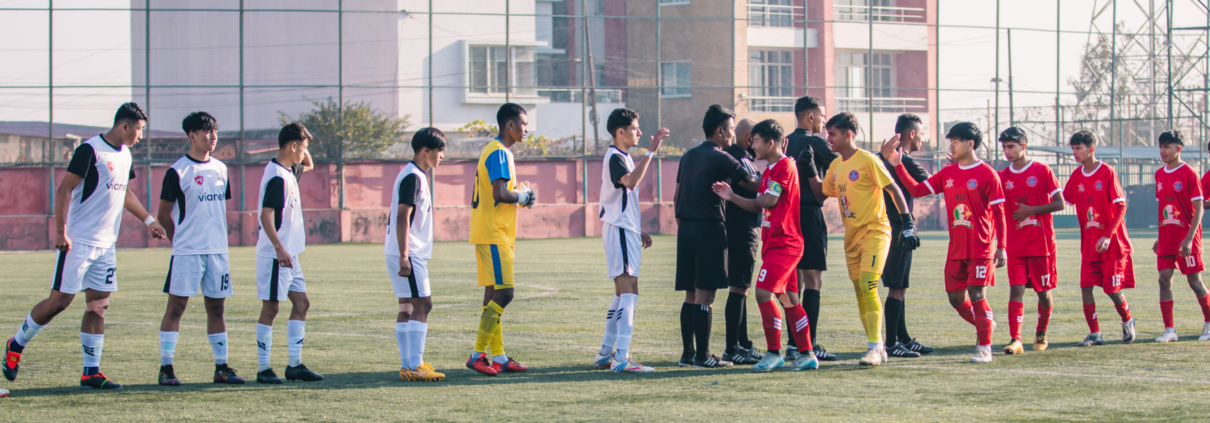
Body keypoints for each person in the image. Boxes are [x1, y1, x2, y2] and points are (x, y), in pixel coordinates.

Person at [2, 102, 166, 390]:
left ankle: (91, 372)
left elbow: (124, 192)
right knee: (60, 302)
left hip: (106, 246)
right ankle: (16, 344)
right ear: (124, 126)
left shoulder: (125, 155)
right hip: (77, 243)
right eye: (139, 130)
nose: (141, 136)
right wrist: (60, 232)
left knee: (98, 306)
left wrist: (149, 220)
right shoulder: (89, 150)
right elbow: (64, 189)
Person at [800, 112, 919, 366]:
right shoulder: (836, 165)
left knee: (869, 285)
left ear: (848, 134)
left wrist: (907, 223)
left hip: (875, 231)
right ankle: (878, 346)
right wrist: (810, 170)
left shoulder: (867, 160)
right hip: (851, 237)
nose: (827, 138)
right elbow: (822, 194)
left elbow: (893, 189)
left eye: (832, 134)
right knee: (860, 292)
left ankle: (876, 347)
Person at [884, 122, 1005, 363]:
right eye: (951, 140)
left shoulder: (987, 174)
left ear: (970, 143)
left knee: (978, 294)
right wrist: (898, 167)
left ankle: (984, 347)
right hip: (956, 249)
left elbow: (999, 212)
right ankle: (986, 324)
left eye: (956, 140)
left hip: (980, 247)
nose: (951, 145)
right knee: (956, 299)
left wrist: (1001, 246)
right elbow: (918, 190)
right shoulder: (948, 173)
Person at [713, 119, 819, 372]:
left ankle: (774, 353)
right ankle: (807, 354)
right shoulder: (770, 170)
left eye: (757, 140)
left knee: (763, 292)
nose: (752, 145)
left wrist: (748, 197)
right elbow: (760, 204)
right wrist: (732, 196)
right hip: (774, 243)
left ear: (771, 143)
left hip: (786, 243)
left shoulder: (784, 166)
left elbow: (768, 201)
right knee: (790, 299)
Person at [156, 111, 244, 385]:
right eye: (207, 131)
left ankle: (222, 367)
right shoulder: (177, 171)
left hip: (217, 251)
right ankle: (166, 368)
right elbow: (163, 214)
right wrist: (179, 241)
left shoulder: (221, 169)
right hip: (187, 252)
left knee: (217, 309)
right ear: (192, 136)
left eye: (215, 131)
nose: (213, 136)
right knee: (176, 308)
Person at [674, 104, 758, 368]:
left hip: (685, 228)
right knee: (706, 296)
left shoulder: (688, 155)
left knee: (690, 294)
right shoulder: (722, 157)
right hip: (709, 228)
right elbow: (753, 185)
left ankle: (688, 355)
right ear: (720, 131)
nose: (732, 136)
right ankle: (704, 356)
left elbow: (676, 198)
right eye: (731, 130)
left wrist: (685, 225)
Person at [592, 108, 666, 373]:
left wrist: (637, 229)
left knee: (624, 292)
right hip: (619, 230)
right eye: (635, 127)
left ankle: (605, 352)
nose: (640, 132)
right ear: (619, 132)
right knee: (629, 292)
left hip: (625, 230)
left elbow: (624, 198)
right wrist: (651, 151)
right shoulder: (615, 157)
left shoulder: (622, 156)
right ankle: (621, 358)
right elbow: (631, 183)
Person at [466, 103, 536, 376]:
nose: (526, 129)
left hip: (491, 232)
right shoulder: (499, 152)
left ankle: (499, 357)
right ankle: (477, 354)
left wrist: (520, 196)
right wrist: (523, 197)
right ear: (509, 125)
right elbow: (499, 193)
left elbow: (501, 194)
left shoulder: (497, 151)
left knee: (493, 293)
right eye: (523, 124)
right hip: (495, 234)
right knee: (506, 293)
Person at [253, 122, 322, 384]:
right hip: (276, 256)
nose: (305, 153)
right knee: (271, 309)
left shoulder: (289, 170)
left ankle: (295, 365)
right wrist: (279, 249)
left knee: (302, 304)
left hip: (290, 255)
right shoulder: (277, 177)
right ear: (292, 146)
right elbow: (266, 216)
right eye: (302, 148)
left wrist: (302, 138)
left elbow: (309, 164)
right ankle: (263, 369)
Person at [1061, 130, 1137, 347]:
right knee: (1086, 287)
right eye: (1073, 149)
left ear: (1091, 149)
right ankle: (1095, 333)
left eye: (1078, 148)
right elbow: (1062, 200)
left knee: (1111, 289)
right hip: (1089, 245)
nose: (1074, 153)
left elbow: (1121, 206)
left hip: (1112, 245)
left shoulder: (1107, 172)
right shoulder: (1076, 176)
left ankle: (1127, 320)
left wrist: (1107, 236)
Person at [995, 127, 1064, 354]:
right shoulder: (1002, 177)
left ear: (1023, 146)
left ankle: (1041, 334)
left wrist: (1031, 210)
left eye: (1011, 146)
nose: (1007, 151)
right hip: (1015, 245)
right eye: (1004, 147)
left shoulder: (1042, 171)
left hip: (1041, 244)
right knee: (1016, 290)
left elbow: (1060, 203)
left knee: (1043, 292)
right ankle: (1016, 339)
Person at [782, 96, 839, 362]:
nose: (825, 122)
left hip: (786, 216)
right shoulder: (815, 143)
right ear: (811, 117)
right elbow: (847, 163)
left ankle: (794, 344)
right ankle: (809, 344)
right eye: (823, 117)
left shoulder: (785, 142)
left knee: (795, 282)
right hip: (808, 213)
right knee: (813, 281)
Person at [389, 128, 447, 382]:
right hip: (409, 251)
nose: (442, 156)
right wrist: (404, 254)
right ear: (426, 151)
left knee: (406, 306)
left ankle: (407, 365)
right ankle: (415, 365)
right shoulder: (413, 176)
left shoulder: (414, 174)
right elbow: (403, 216)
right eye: (440, 151)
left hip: (402, 250)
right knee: (424, 304)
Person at [876, 114, 934, 358]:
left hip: (884, 225)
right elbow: (931, 186)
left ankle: (904, 338)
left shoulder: (880, 159)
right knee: (896, 288)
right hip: (899, 226)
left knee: (899, 285)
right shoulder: (904, 160)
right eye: (921, 133)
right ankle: (891, 344)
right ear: (911, 134)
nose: (923, 138)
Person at [1152, 130, 1210, 342]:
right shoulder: (1159, 174)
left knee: (1195, 282)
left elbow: (1199, 209)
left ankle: (1209, 324)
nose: (1163, 150)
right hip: (1167, 239)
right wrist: (1160, 236)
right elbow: (1164, 209)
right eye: (1160, 146)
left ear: (1179, 148)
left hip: (1187, 239)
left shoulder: (1190, 173)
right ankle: (1170, 330)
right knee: (1163, 280)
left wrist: (1188, 238)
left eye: (1167, 146)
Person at [719, 118, 764, 366]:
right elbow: (758, 188)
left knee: (741, 288)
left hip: (734, 228)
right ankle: (731, 348)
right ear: (750, 139)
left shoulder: (732, 155)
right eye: (757, 139)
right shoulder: (741, 158)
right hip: (741, 229)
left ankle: (742, 343)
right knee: (739, 288)